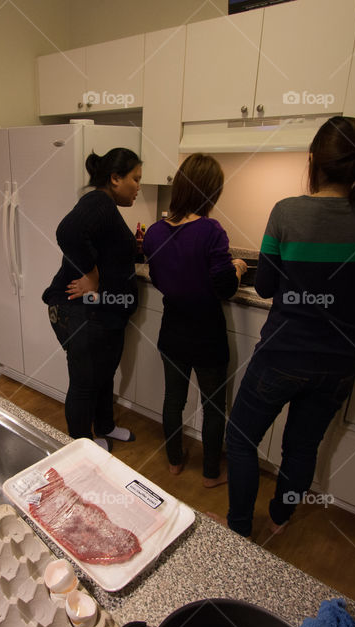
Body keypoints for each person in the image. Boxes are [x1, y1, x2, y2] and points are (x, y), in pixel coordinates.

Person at [225, 116, 355, 538]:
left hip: (282, 354)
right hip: (338, 362)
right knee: (301, 448)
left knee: (241, 440)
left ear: (315, 161)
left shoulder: (287, 212)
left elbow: (264, 286)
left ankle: (239, 530)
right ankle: (281, 520)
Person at [143, 154, 248, 488]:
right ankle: (211, 474)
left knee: (173, 400)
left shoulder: (156, 232)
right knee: (213, 405)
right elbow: (225, 288)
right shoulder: (211, 231)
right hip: (206, 334)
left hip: (172, 329)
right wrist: (238, 268)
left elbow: (159, 279)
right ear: (210, 192)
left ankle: (174, 461)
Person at [43, 148, 142, 451]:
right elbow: (68, 231)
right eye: (135, 179)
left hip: (104, 312)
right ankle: (80, 445)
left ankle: (105, 426)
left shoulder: (107, 207)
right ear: (115, 178)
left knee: (104, 373)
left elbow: (108, 249)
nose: (138, 187)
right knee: (85, 382)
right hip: (78, 311)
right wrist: (92, 274)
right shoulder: (99, 201)